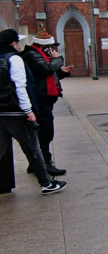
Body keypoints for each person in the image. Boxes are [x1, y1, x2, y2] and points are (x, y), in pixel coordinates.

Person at [0, 29, 67, 195]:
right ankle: (46, 183)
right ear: (13, 43)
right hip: (15, 111)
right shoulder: (14, 59)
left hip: (2, 111)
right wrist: (28, 110)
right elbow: (20, 86)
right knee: (32, 148)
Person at [20, 30, 72, 176]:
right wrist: (58, 59)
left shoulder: (40, 55)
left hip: (44, 99)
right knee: (45, 131)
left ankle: (35, 162)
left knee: (42, 131)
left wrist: (62, 72)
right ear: (45, 46)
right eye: (52, 47)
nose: (54, 50)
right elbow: (46, 69)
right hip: (39, 100)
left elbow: (49, 74)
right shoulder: (31, 55)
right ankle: (45, 163)